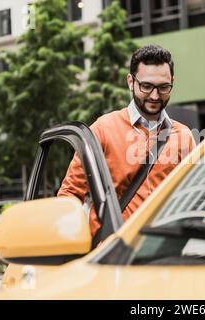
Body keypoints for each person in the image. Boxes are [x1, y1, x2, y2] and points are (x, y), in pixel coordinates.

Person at [58, 44, 196, 236]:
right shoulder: (102, 129)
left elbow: (191, 196)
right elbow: (70, 195)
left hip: (162, 252)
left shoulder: (184, 136)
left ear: (172, 81)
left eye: (164, 87)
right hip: (110, 254)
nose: (155, 96)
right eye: (146, 86)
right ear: (130, 82)